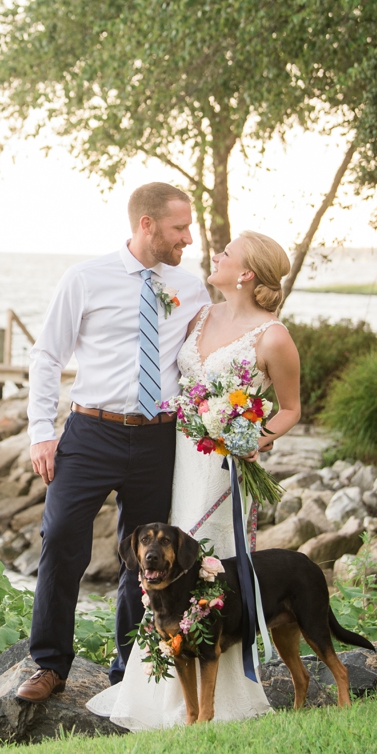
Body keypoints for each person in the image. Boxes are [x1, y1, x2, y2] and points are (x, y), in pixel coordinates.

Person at [86, 229, 303, 728]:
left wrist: (251, 439)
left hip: (224, 471)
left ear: (246, 273)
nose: (217, 255)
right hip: (181, 459)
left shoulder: (273, 335)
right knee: (170, 559)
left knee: (211, 565)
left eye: (227, 253)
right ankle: (156, 689)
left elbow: (290, 409)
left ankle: (217, 701)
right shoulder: (202, 313)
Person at [18, 182, 208, 702]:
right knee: (59, 540)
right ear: (146, 225)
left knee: (143, 558)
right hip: (91, 431)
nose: (187, 238)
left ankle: (129, 670)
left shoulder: (191, 289)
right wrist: (41, 433)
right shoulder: (85, 278)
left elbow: (203, 362)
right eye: (179, 228)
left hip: (158, 438)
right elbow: (48, 356)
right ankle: (51, 664)